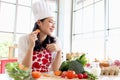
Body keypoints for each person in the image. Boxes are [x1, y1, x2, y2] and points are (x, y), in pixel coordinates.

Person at [18, 0, 62, 72]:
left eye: (54, 23)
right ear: (39, 22)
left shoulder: (56, 41)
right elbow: (24, 68)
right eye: (50, 22)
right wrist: (31, 46)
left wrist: (59, 51)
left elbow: (56, 69)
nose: (53, 26)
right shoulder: (24, 39)